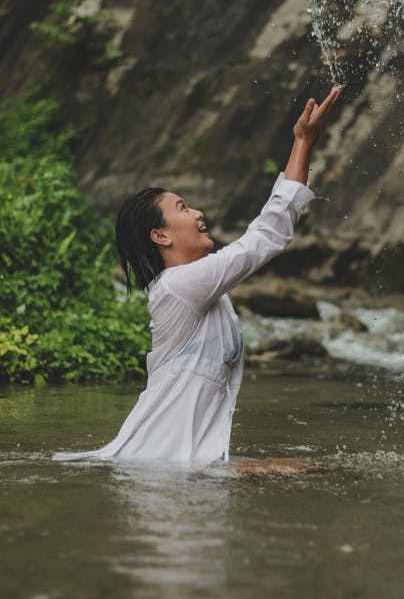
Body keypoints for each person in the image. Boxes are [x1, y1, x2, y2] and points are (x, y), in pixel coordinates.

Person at [53, 85, 343, 465]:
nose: (198, 213)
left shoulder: (200, 289)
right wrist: (303, 142)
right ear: (161, 235)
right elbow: (265, 236)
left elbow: (265, 233)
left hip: (183, 463)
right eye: (183, 208)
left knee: (315, 471)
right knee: (319, 470)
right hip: (164, 464)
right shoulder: (181, 286)